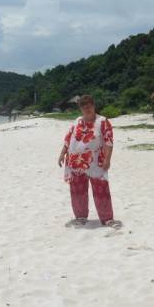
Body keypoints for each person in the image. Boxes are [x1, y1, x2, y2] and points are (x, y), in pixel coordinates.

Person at [58, 94, 121, 229]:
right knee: (78, 191)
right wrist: (62, 153)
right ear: (81, 108)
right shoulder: (77, 121)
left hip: (96, 162)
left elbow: (109, 142)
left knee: (101, 190)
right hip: (76, 162)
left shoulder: (103, 122)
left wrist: (107, 159)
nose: (87, 108)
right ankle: (80, 217)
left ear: (94, 105)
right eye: (84, 106)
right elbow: (68, 139)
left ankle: (107, 218)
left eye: (89, 106)